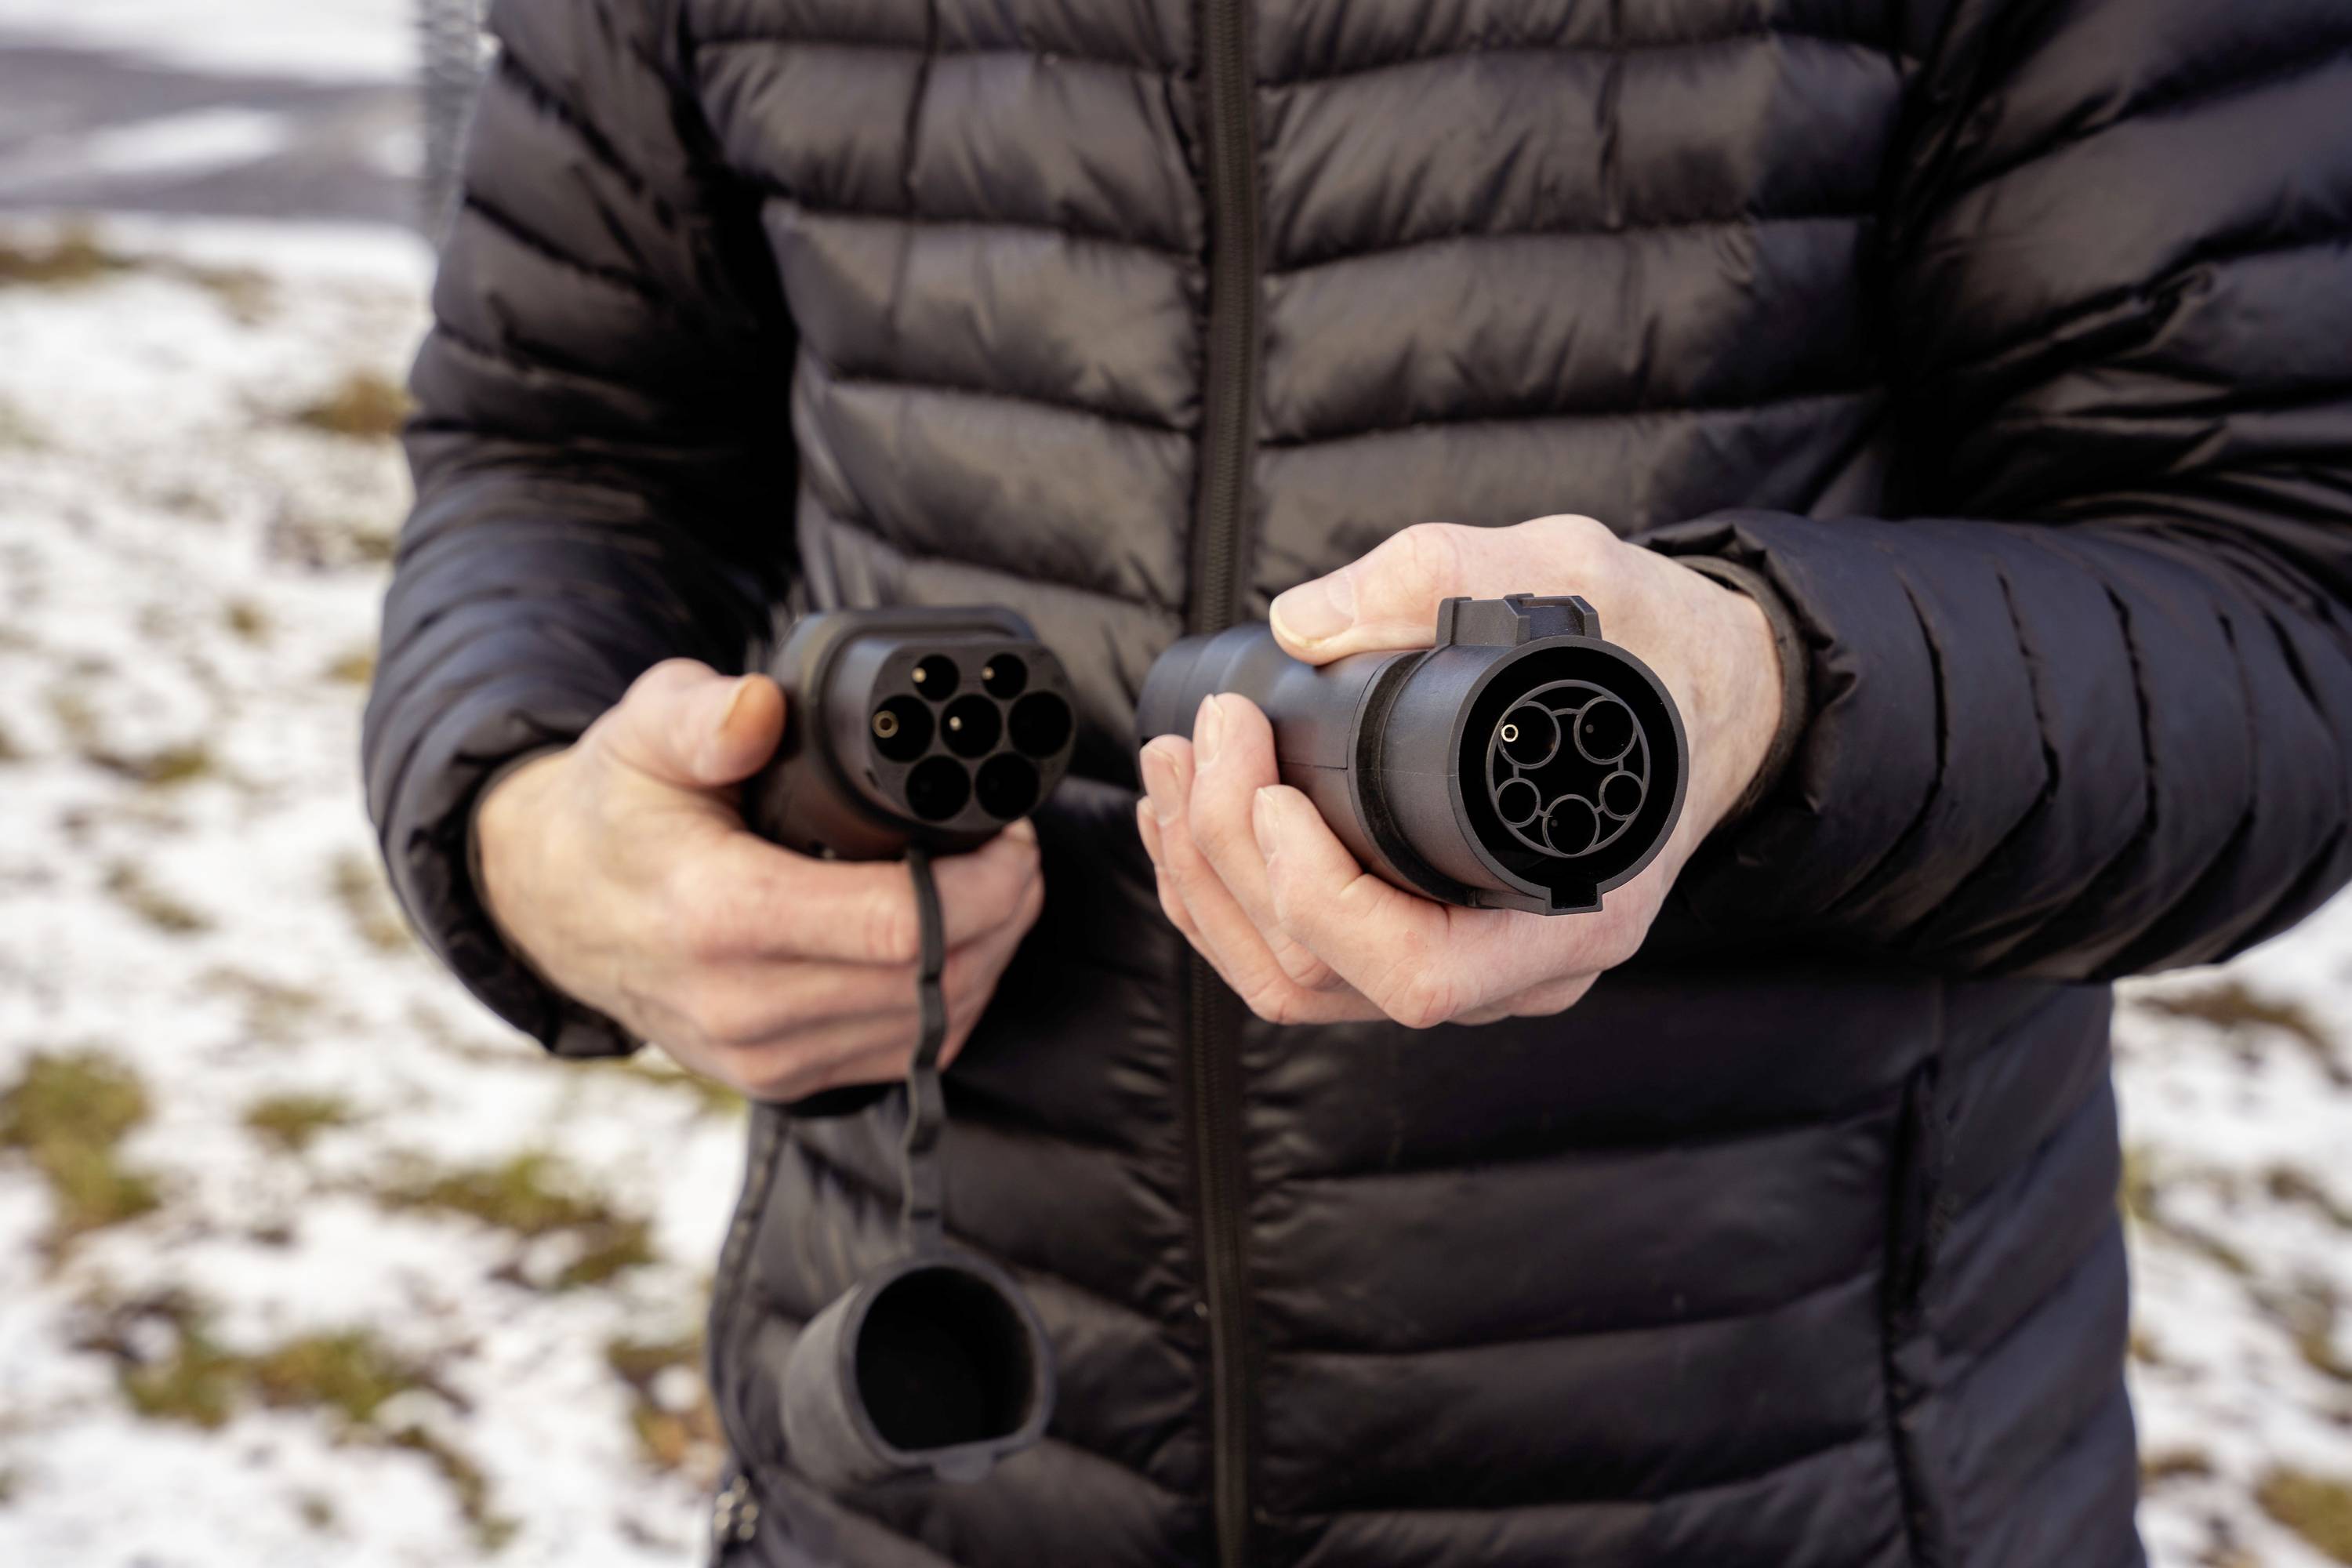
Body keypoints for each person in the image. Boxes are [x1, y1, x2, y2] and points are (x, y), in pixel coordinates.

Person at [361, 0, 2352, 1562]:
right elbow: (557, 447)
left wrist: (1761, 696)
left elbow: (2284, 606)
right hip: (942, 1460)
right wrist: (536, 836)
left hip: (1795, 1482)